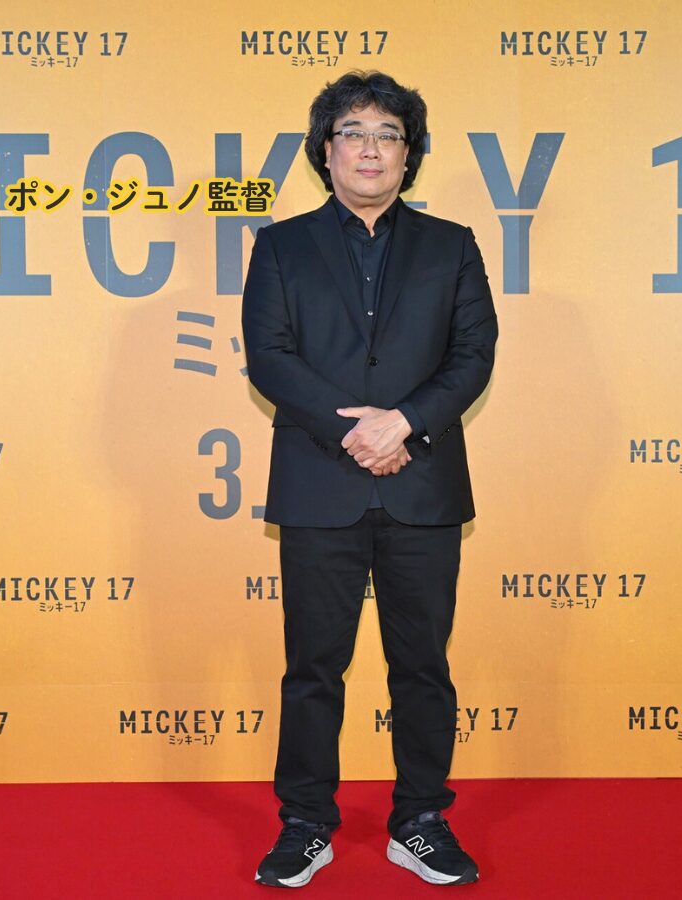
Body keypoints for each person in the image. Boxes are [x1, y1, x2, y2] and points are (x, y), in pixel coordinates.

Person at [242, 70, 497, 887]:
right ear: (325, 151)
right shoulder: (281, 246)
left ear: (409, 155)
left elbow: (473, 355)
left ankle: (419, 820)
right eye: (353, 133)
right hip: (321, 482)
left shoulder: (451, 245)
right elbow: (269, 356)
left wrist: (405, 422)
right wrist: (358, 431)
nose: (370, 149)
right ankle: (304, 823)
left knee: (422, 666)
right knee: (312, 667)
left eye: (389, 135)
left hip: (422, 485)